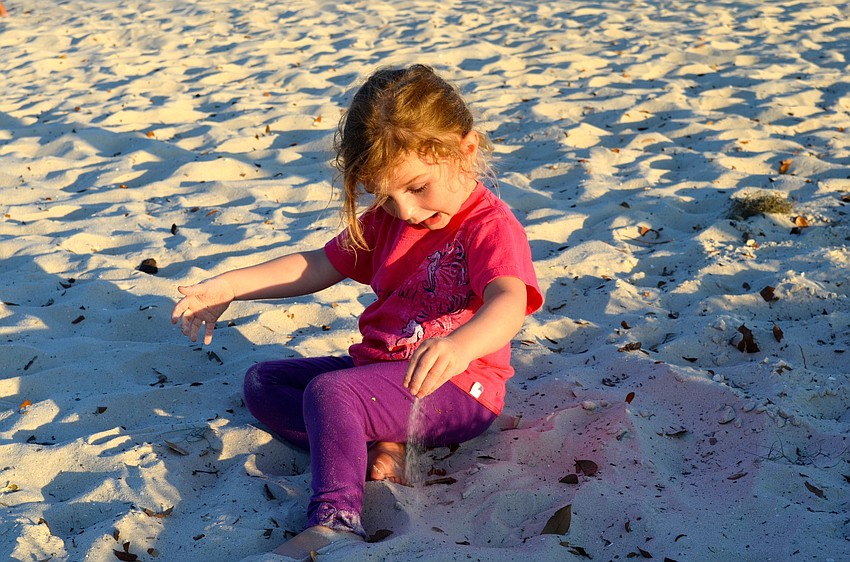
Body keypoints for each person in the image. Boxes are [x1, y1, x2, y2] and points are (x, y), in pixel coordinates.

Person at [171, 64, 542, 560]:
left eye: (417, 187)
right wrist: (229, 287)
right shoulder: (385, 223)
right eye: (383, 196)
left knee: (332, 393)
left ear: (465, 150)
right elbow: (319, 264)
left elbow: (508, 300)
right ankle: (373, 446)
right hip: (380, 375)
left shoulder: (489, 226)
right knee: (264, 382)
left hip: (457, 387)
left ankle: (337, 521)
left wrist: (460, 345)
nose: (404, 211)